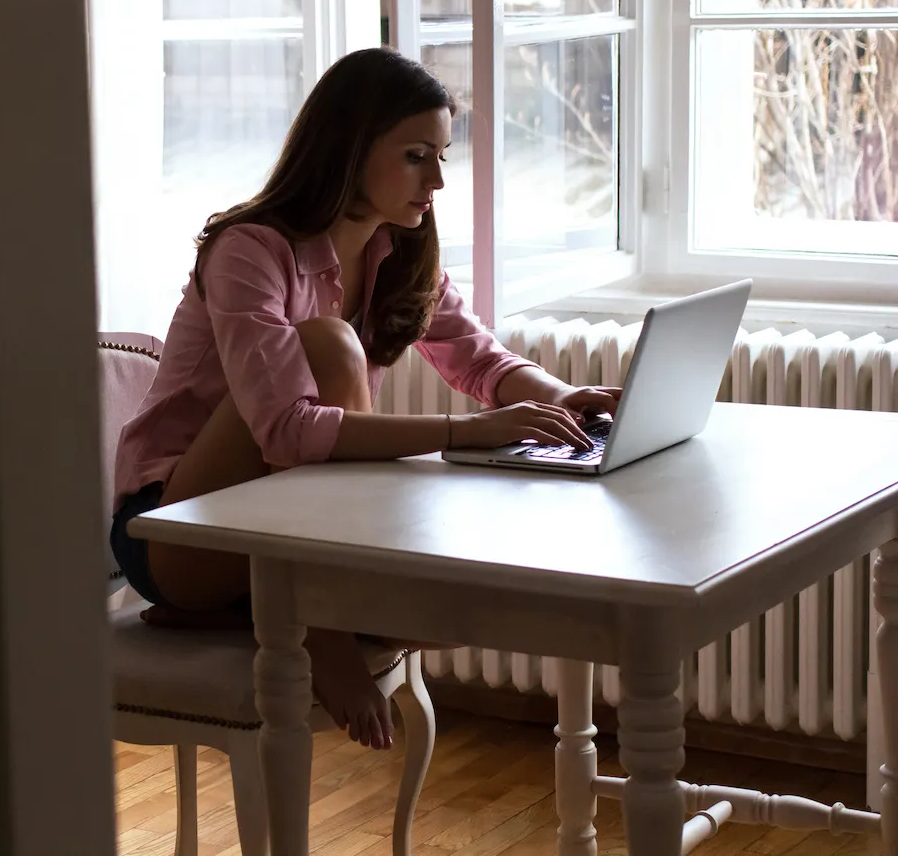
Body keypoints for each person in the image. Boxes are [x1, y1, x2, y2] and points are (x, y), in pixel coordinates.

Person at [109, 47, 621, 750]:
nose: (438, 179)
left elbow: (477, 358)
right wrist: (465, 434)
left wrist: (567, 397)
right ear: (350, 149)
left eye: (443, 155)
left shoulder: (399, 249)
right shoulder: (249, 249)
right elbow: (287, 432)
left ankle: (258, 606)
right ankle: (318, 627)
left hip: (282, 543)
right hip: (175, 529)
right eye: (417, 155)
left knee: (479, 610)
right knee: (326, 345)